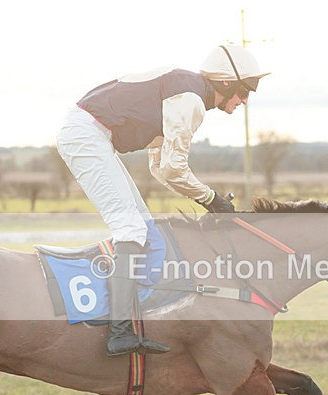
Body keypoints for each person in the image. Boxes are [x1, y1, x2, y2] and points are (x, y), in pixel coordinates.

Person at [56, 44, 269, 357]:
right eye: (245, 90)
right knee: (130, 229)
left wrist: (210, 200)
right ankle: (118, 331)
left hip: (94, 136)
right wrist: (212, 200)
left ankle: (137, 316)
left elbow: (160, 168)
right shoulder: (191, 100)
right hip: (86, 135)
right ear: (226, 82)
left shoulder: (188, 93)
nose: (246, 100)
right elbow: (172, 167)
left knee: (144, 227)